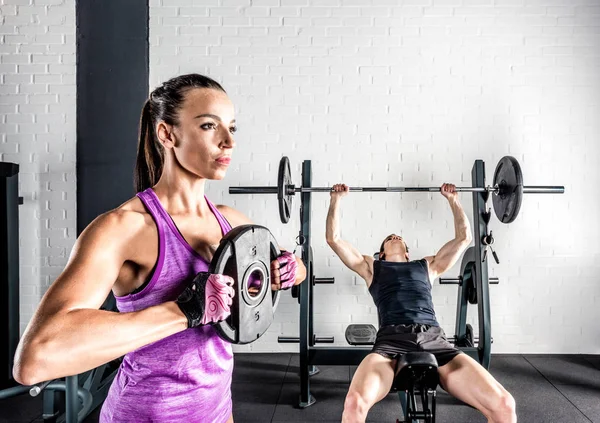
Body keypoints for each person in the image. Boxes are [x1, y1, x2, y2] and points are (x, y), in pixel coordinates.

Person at [12, 74, 306, 423]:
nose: (228, 142)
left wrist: (288, 271)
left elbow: (264, 283)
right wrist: (185, 311)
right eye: (210, 126)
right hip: (148, 414)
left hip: (216, 408)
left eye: (232, 128)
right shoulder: (126, 228)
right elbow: (35, 360)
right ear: (167, 134)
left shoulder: (231, 221)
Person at [325, 183, 517, 423]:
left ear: (407, 252)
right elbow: (333, 239)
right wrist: (336, 199)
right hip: (390, 346)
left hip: (436, 341)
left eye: (399, 238)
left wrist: (453, 199)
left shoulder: (427, 266)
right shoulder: (372, 268)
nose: (395, 236)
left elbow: (464, 238)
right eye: (389, 238)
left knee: (504, 405)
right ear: (381, 254)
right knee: (354, 403)